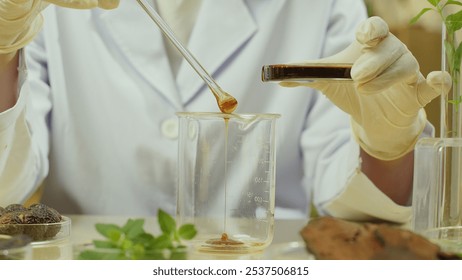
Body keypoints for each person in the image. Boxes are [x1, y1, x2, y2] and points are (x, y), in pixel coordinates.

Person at [0, 0, 450, 221]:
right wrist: (3, 45)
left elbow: (354, 202)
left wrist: (389, 146)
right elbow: (8, 183)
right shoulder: (50, 9)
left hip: (262, 265)